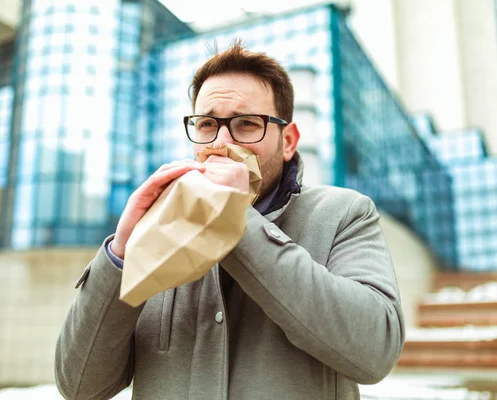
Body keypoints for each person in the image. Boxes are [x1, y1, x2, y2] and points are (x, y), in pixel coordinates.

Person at [55, 40, 404, 400]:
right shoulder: (158, 229)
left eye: (247, 124)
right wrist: (121, 254)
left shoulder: (343, 214)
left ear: (288, 141)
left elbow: (375, 352)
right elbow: (81, 387)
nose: (221, 143)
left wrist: (236, 220)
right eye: (207, 124)